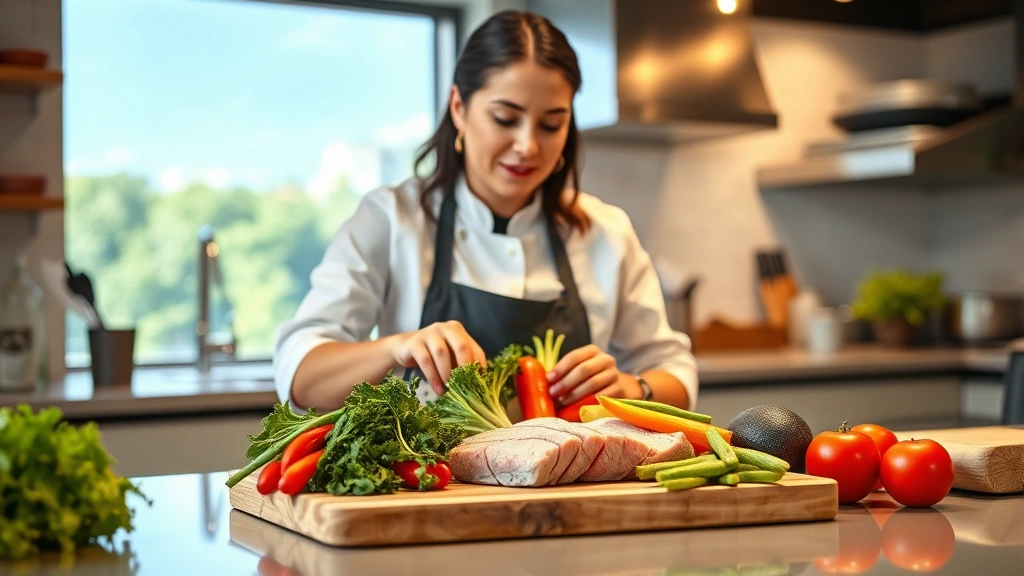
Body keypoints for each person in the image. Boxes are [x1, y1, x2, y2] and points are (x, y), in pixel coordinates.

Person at [273, 10, 697, 414]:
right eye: (505, 118)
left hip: (574, 488)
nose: (528, 145)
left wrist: (633, 387)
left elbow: (675, 371)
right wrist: (397, 348)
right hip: (435, 488)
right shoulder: (390, 218)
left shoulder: (606, 231)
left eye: (551, 125)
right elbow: (301, 374)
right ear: (459, 106)